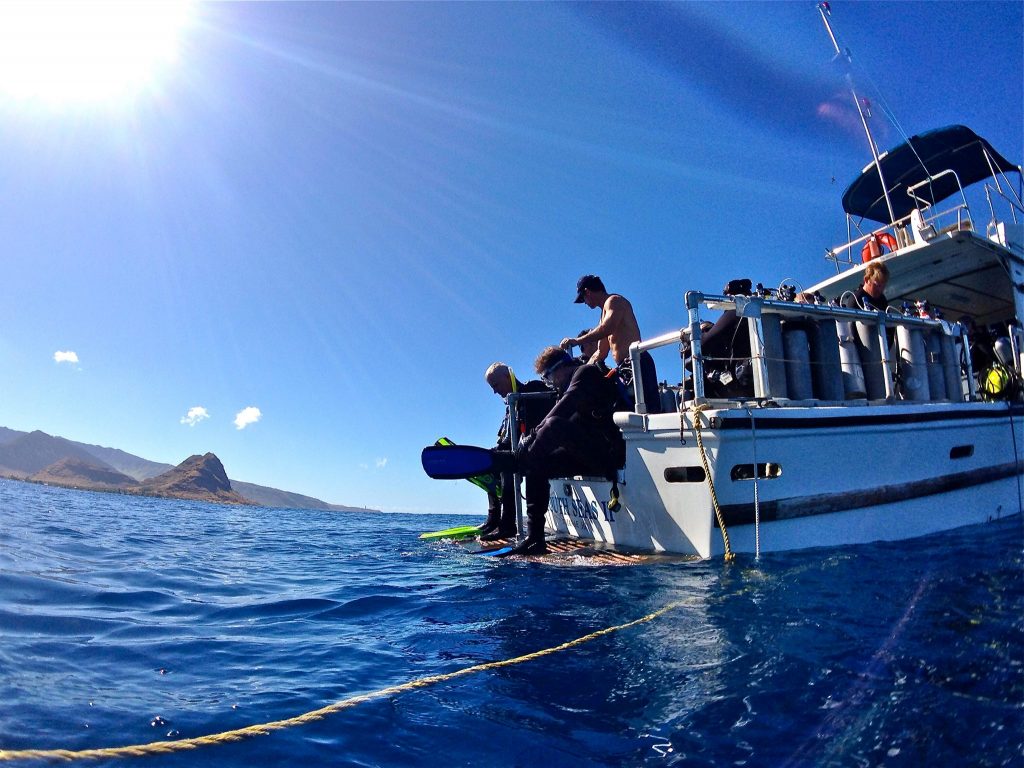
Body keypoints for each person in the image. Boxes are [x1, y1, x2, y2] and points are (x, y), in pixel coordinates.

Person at [492, 347, 626, 556]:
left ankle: (517, 461)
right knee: (538, 464)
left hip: (607, 452)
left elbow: (564, 409)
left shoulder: (586, 374)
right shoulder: (566, 386)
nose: (549, 382)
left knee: (553, 425)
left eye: (547, 376)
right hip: (586, 452)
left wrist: (531, 438)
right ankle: (535, 538)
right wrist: (533, 446)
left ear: (560, 367)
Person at [559, 274, 662, 413]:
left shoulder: (614, 301)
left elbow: (608, 328)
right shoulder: (603, 313)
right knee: (627, 408)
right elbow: (601, 352)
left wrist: (577, 341)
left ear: (587, 292)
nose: (585, 302)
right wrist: (578, 376)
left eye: (583, 298)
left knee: (650, 410)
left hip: (638, 363)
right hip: (625, 369)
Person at [478, 363, 554, 540]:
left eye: (496, 385)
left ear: (507, 377)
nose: (495, 392)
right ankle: (495, 519)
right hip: (525, 449)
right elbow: (509, 439)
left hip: (542, 450)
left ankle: (508, 526)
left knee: (506, 468)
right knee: (493, 465)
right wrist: (492, 454)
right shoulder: (513, 403)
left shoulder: (532, 390)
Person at [692, 278, 754, 398]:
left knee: (690, 389)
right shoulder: (755, 313)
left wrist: (703, 330)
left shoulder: (735, 311)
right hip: (754, 381)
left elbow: (705, 343)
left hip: (741, 385)